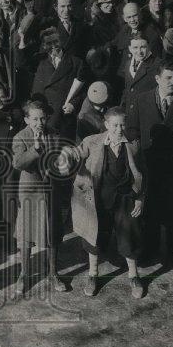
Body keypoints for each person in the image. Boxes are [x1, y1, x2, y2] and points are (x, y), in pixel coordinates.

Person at [60, 106, 146, 298]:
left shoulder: (133, 144)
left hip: (125, 198)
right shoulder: (92, 142)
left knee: (129, 236)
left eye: (122, 124)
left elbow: (142, 175)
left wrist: (139, 199)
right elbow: (75, 153)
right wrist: (65, 156)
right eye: (114, 125)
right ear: (106, 125)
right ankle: (93, 275)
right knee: (94, 237)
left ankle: (134, 276)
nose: (119, 129)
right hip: (98, 198)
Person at [124, 60, 173, 266]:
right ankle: (150, 251)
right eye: (168, 78)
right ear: (157, 79)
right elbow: (132, 131)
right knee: (150, 213)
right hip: (149, 168)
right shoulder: (141, 100)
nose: (172, 82)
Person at [11, 99, 70, 294]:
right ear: (27, 119)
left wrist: (64, 164)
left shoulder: (54, 134)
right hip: (30, 192)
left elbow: (60, 160)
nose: (39, 123)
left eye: (42, 118)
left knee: (52, 233)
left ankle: (53, 273)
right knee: (26, 236)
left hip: (51, 190)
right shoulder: (20, 137)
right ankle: (24, 275)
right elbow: (18, 163)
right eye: (35, 119)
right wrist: (35, 149)